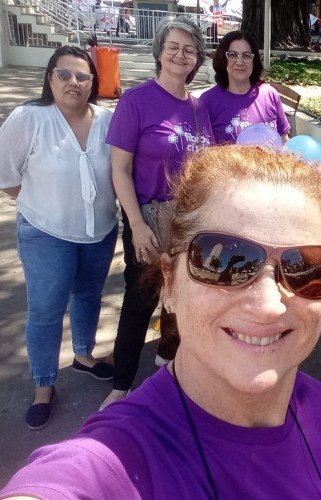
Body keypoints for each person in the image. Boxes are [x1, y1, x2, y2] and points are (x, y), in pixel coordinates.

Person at [0, 146, 321, 499]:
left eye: (305, 268)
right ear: (169, 283)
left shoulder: (316, 404)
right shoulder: (120, 459)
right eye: (223, 262)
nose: (269, 305)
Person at [0, 46, 118, 430]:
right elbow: (2, 175)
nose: (74, 82)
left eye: (83, 76)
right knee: (45, 312)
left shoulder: (108, 120)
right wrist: (39, 206)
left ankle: (83, 355)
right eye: (65, 74)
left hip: (100, 231)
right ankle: (44, 385)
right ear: (50, 78)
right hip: (46, 234)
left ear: (94, 82)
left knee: (90, 295)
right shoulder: (29, 118)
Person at [101, 17, 214, 410]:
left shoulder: (199, 108)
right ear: (160, 53)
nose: (181, 55)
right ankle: (121, 385)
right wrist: (134, 225)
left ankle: (168, 365)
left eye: (190, 49)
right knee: (140, 300)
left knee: (181, 299)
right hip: (148, 218)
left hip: (190, 221)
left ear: (197, 58)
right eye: (173, 47)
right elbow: (119, 169)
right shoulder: (136, 101)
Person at [200, 31, 290, 145]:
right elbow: (204, 152)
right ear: (223, 59)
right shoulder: (208, 101)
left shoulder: (270, 94)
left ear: (254, 60)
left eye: (246, 55)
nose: (240, 62)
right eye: (232, 55)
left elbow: (284, 140)